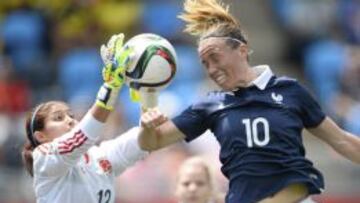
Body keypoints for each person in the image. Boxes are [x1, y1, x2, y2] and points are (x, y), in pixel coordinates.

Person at [138, 0, 360, 202]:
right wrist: (147, 111)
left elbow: (340, 140)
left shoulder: (290, 91)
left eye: (215, 57)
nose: (212, 69)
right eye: (205, 63)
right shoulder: (210, 105)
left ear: (242, 50)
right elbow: (152, 142)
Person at [21, 34, 157, 203]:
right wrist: (111, 86)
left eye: (71, 115)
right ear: (41, 136)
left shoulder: (100, 157)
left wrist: (147, 92)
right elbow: (82, 137)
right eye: (58, 118)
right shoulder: (43, 157)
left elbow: (148, 140)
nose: (70, 120)